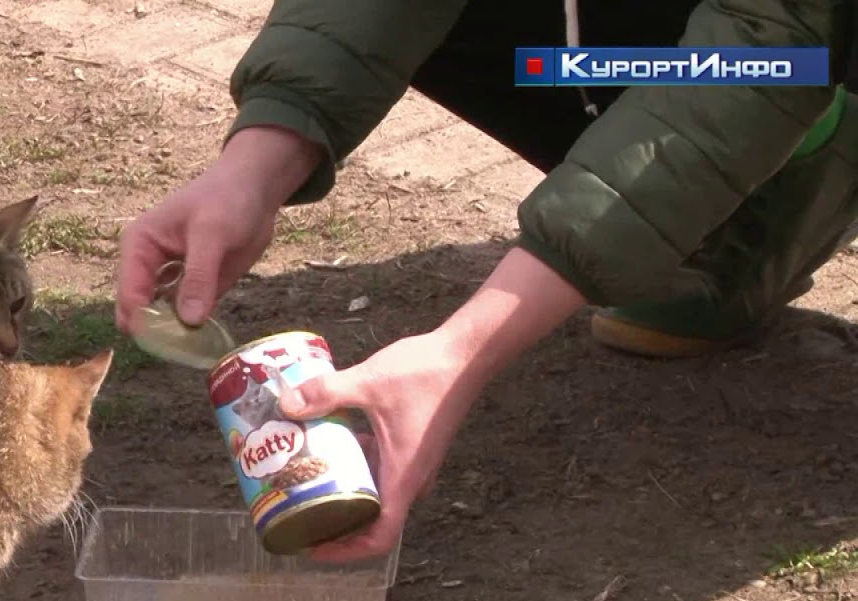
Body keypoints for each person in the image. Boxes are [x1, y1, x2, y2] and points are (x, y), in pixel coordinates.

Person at [114, 1, 858, 563]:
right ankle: (679, 227)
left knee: (786, 69)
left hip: (802, 59)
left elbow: (771, 48)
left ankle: (768, 207)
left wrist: (460, 352)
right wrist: (259, 162)